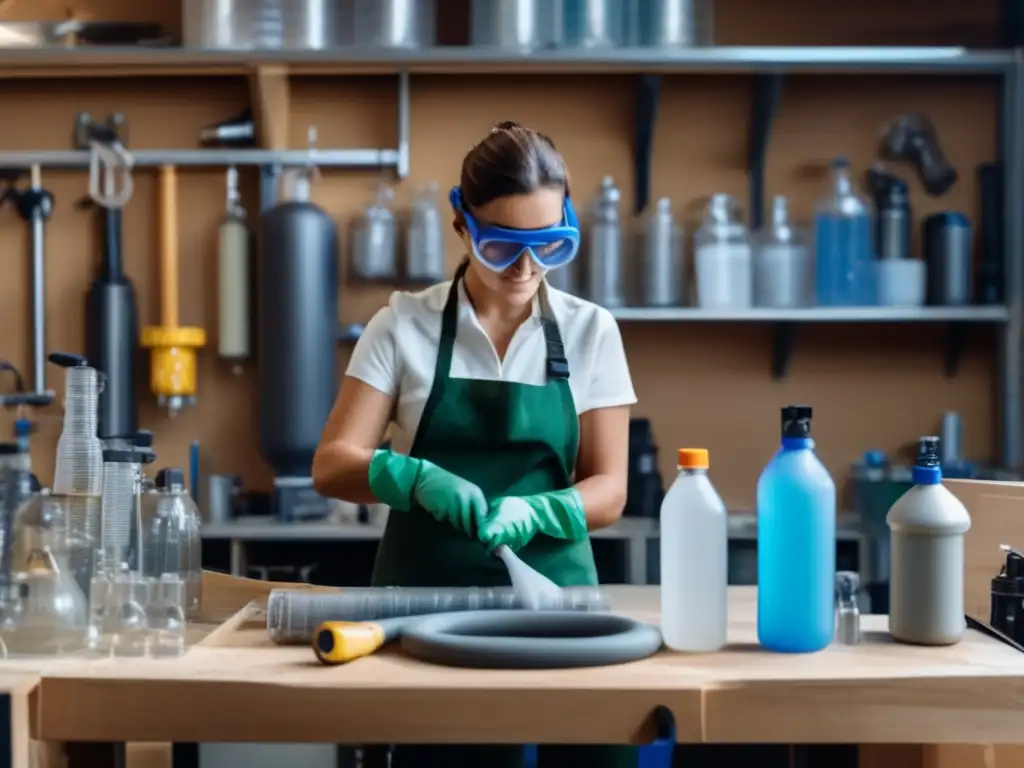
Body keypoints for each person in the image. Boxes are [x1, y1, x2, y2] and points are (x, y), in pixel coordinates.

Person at [312, 121, 637, 768]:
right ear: (462, 227)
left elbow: (610, 488)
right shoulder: (402, 325)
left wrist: (540, 511)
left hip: (558, 612)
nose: (526, 268)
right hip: (428, 615)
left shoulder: (590, 331)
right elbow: (332, 465)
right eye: (501, 247)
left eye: (549, 244)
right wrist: (415, 479)